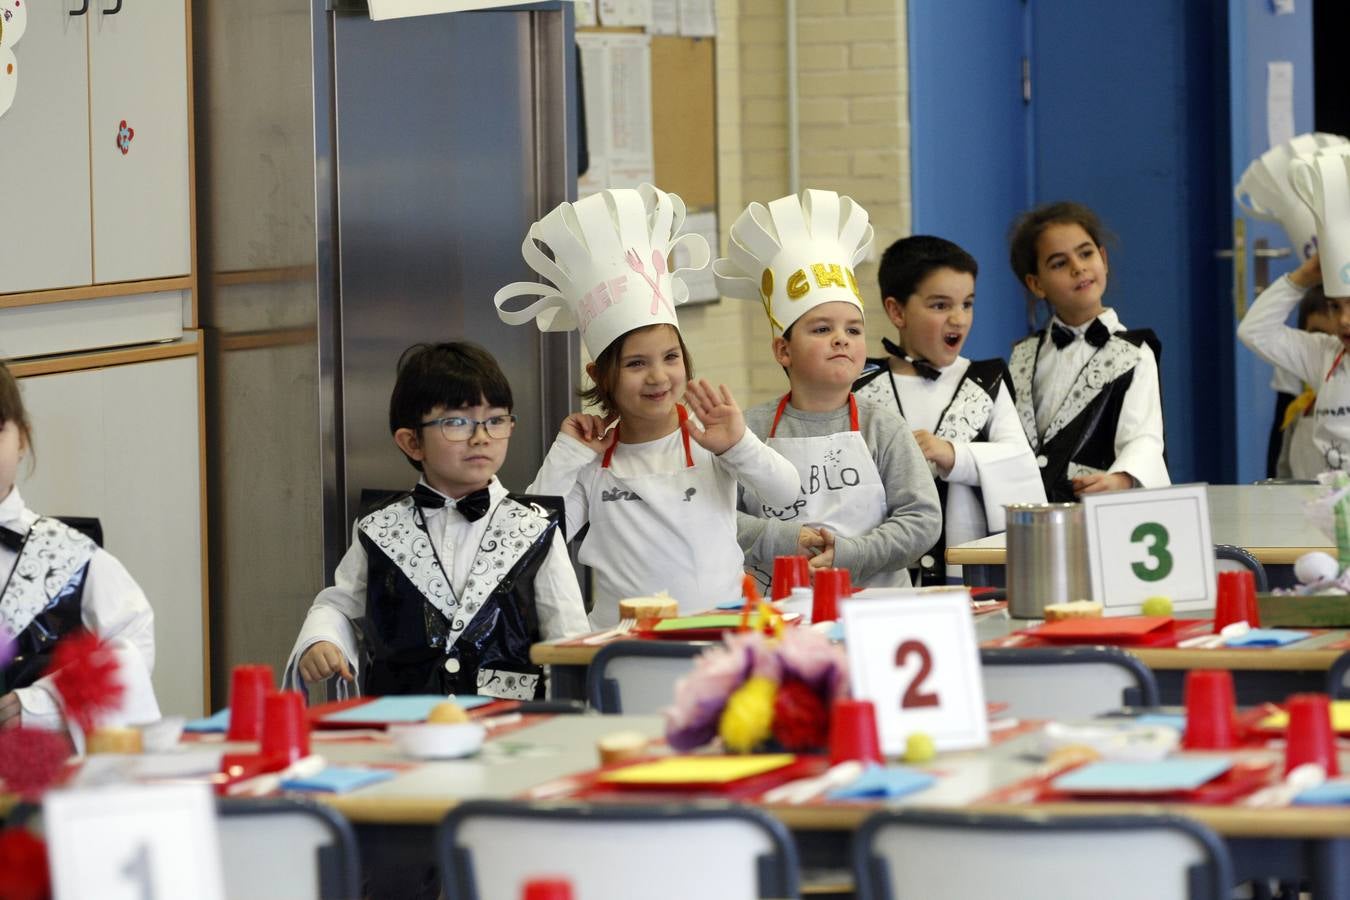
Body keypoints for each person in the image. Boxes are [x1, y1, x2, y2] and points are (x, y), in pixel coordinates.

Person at [497, 184, 801, 626]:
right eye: (637, 363)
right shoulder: (592, 461)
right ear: (601, 376)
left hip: (722, 637)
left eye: (671, 358)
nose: (659, 376)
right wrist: (566, 456)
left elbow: (785, 492)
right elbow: (535, 537)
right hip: (625, 646)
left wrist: (738, 444)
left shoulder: (709, 439)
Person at [286, 342, 590, 700]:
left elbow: (567, 637)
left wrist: (569, 718)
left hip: (508, 724)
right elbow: (339, 604)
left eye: (495, 420)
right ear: (412, 442)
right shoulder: (379, 527)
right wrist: (322, 639)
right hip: (402, 722)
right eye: (457, 423)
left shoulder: (535, 527)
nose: (481, 437)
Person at [712, 189, 942, 593]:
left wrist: (852, 553)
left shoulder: (883, 427)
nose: (842, 339)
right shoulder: (749, 429)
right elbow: (715, 516)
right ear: (784, 350)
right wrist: (784, 540)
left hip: (878, 610)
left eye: (853, 329)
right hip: (779, 611)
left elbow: (922, 519)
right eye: (822, 329)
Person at [854, 235, 1045, 584]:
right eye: (940, 306)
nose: (958, 319)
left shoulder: (985, 380)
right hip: (884, 574)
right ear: (897, 311)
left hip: (968, 572)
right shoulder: (860, 386)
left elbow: (1020, 464)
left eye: (967, 304)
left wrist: (953, 454)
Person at [0, 360, 160, 738]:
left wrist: (44, 705)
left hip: (39, 775)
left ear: (22, 439)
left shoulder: (67, 555)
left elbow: (133, 646)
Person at [1006, 201, 1169, 501]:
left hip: (1096, 508)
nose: (1078, 267)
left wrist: (1122, 478)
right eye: (1059, 263)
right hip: (1030, 508)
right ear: (1036, 284)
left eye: (1085, 253)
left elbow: (1144, 436)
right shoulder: (1023, 355)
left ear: (1103, 259)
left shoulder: (1134, 352)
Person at [1239, 252, 1350, 474]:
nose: (1344, 320)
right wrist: (1301, 278)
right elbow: (1254, 331)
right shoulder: (1324, 355)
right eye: (1335, 307)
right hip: (1333, 500)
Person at [1268, 284, 1338, 479]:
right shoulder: (1299, 407)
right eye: (1318, 335)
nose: (1329, 346)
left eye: (1337, 338)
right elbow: (1279, 451)